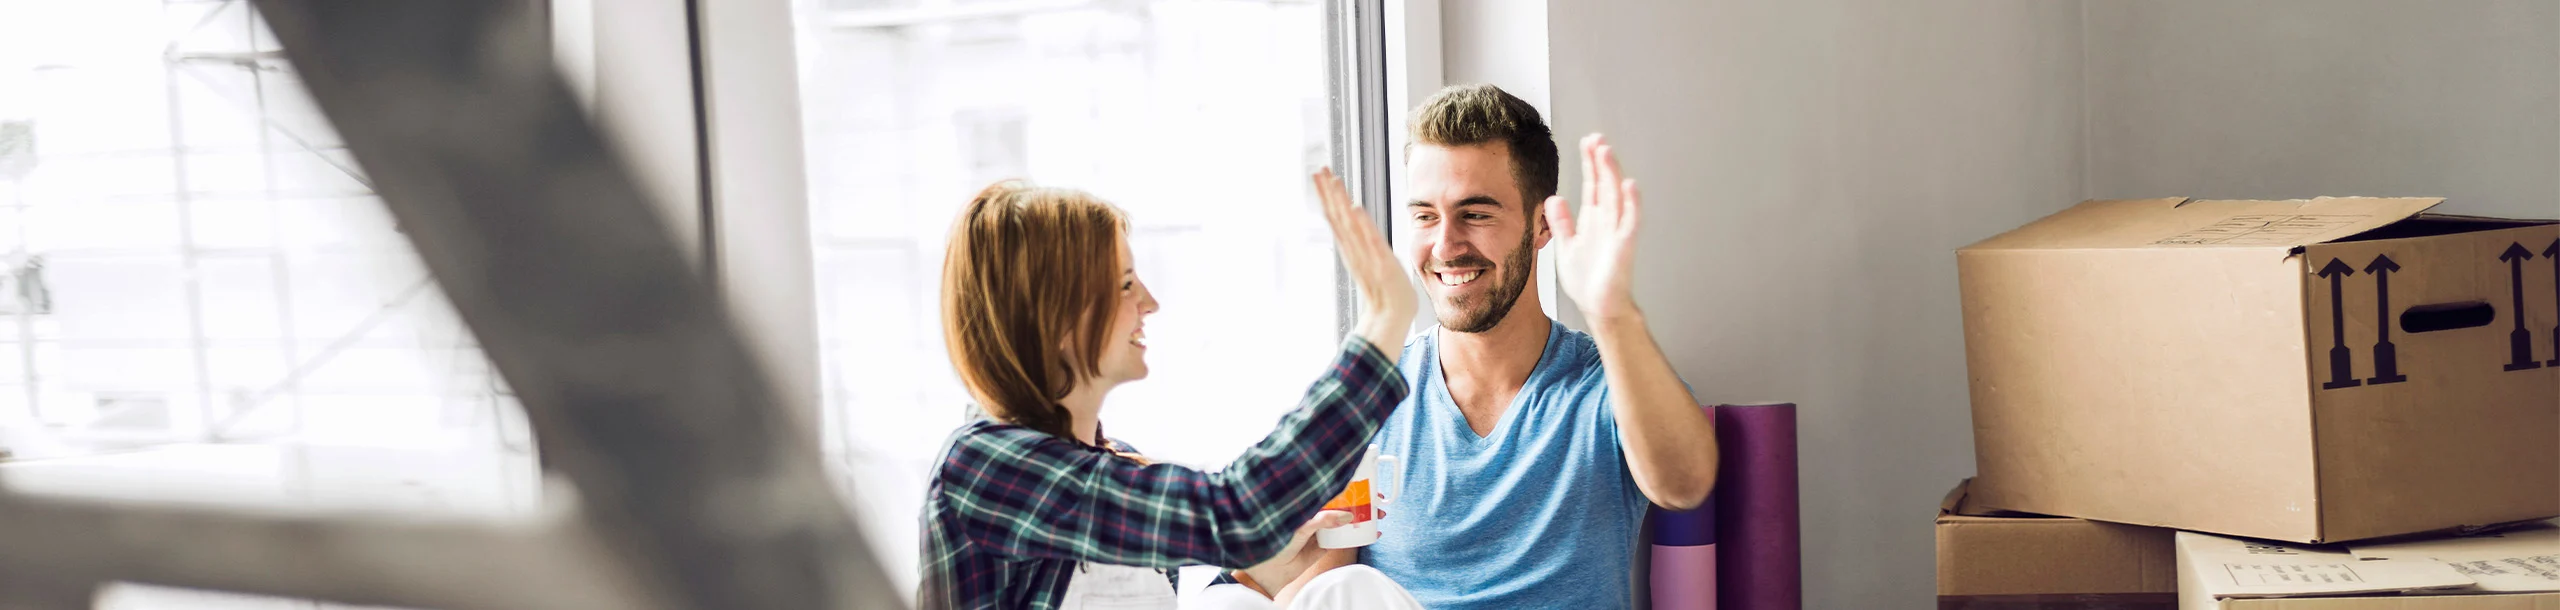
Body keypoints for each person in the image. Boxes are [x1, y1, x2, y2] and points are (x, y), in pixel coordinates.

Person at [1234, 84, 1721, 609]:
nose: (1445, 245)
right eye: (1425, 215)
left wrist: (1612, 313)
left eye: (1476, 213)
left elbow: (1684, 484)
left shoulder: (1604, 384)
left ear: (1540, 224)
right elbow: (1325, 589)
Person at [918, 170, 1427, 610]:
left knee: (1345, 590)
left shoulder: (1112, 467)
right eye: (1123, 285)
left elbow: (1230, 531)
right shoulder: (987, 469)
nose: (1150, 302)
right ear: (1054, 318)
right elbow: (1237, 510)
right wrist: (1384, 322)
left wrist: (1263, 571)